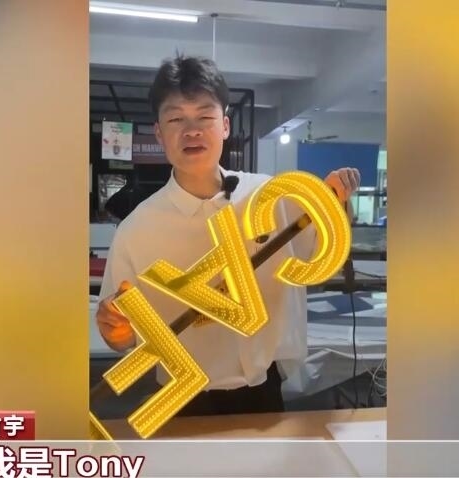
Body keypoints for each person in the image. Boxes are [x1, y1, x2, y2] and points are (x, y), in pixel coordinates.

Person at [96, 54, 360, 417]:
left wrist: (334, 203)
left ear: (224, 126)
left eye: (204, 117)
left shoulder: (271, 198)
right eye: (176, 119)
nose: (192, 130)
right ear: (159, 133)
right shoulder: (136, 230)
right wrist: (116, 330)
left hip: (263, 394)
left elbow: (321, 249)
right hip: (179, 400)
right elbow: (120, 334)